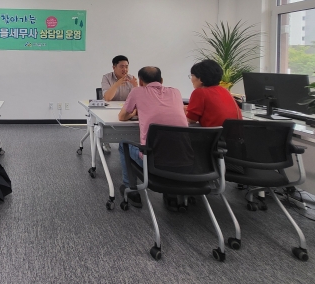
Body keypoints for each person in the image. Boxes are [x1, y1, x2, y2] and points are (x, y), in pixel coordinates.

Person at [117, 66, 187, 209]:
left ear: (140, 81)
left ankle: (130, 188)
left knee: (123, 144)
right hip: (182, 161)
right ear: (161, 80)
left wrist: (134, 112)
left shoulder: (137, 91)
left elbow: (122, 116)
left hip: (152, 162)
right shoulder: (176, 92)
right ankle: (171, 192)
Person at [185, 59, 242, 126]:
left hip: (215, 132)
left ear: (200, 79)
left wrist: (180, 111)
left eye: (192, 76)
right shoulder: (225, 90)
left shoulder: (200, 92)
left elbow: (191, 120)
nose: (191, 79)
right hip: (234, 131)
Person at [100, 55, 138, 153]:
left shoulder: (131, 78)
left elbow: (136, 99)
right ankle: (105, 140)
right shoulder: (106, 78)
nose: (125, 69)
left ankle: (129, 141)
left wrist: (136, 87)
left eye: (126, 67)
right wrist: (117, 84)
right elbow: (107, 98)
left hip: (124, 109)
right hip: (109, 110)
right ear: (114, 67)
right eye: (122, 66)